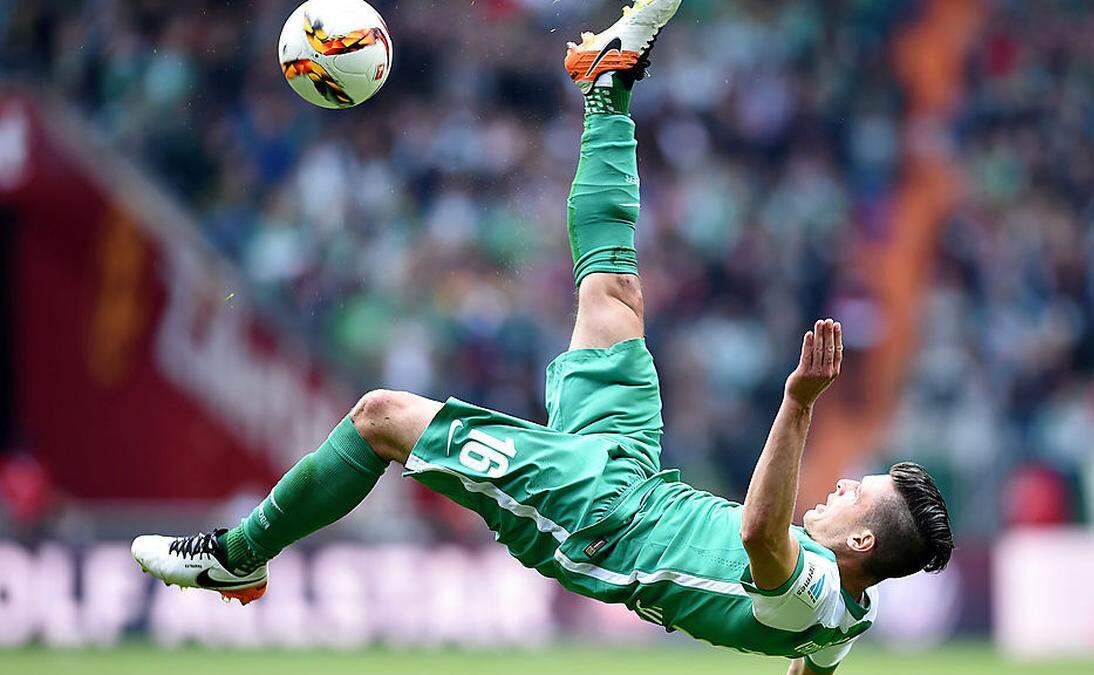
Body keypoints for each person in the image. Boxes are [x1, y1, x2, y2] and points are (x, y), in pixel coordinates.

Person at [132, 1, 954, 671]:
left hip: (595, 518)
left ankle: (238, 553)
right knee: (614, 291)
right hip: (633, 475)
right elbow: (812, 664)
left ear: (861, 541)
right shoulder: (843, 620)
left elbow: (756, 533)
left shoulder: (809, 587)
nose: (838, 489)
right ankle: (607, 90)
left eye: (852, 493)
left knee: (381, 415)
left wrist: (797, 400)